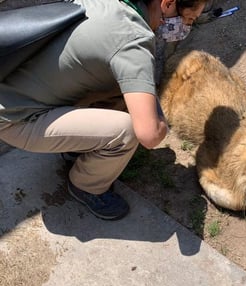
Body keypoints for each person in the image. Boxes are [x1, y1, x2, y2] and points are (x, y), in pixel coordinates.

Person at [0, 0, 205, 221]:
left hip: (13, 88)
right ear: (167, 4)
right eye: (187, 19)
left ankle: (77, 148)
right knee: (127, 131)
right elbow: (150, 135)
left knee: (124, 87)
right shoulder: (134, 39)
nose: (185, 28)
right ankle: (87, 186)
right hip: (15, 119)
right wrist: (159, 116)